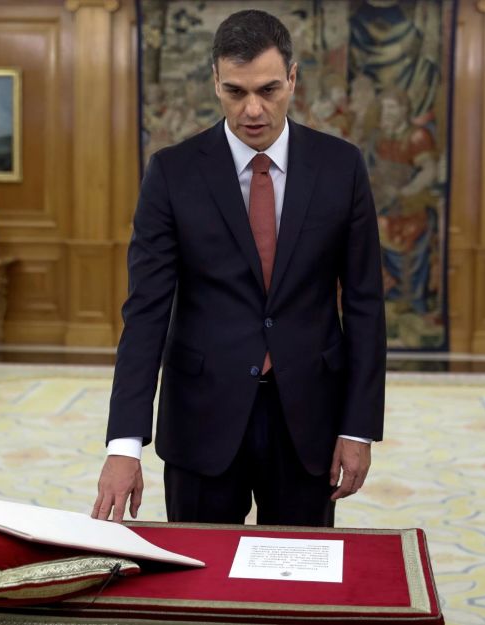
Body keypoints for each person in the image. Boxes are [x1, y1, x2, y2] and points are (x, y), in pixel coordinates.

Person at [92, 9, 386, 528]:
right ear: (215, 82)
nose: (253, 109)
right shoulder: (171, 173)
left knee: (297, 589)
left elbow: (364, 303)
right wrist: (124, 444)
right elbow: (146, 314)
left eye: (270, 90)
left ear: (293, 78)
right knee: (199, 591)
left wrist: (358, 429)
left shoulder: (341, 168)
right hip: (201, 420)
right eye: (235, 92)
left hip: (308, 422)